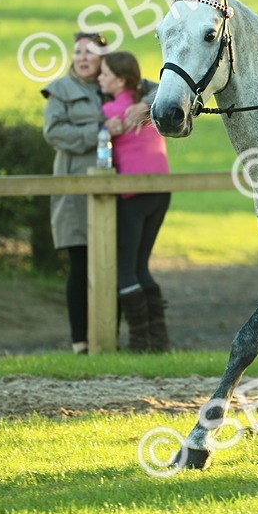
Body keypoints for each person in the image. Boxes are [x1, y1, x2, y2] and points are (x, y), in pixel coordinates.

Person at [41, 32, 152, 354]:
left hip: (116, 189)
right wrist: (101, 131)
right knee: (80, 265)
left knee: (113, 265)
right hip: (75, 189)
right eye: (78, 52)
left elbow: (165, 88)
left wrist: (144, 104)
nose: (83, 58)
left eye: (90, 52)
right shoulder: (60, 91)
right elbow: (54, 133)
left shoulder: (116, 82)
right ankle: (81, 344)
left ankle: (110, 341)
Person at [99, 51, 172, 352]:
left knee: (125, 267)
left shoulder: (110, 109)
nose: (100, 79)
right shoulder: (150, 105)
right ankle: (160, 340)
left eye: (104, 74)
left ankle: (140, 341)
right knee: (141, 265)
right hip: (161, 189)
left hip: (132, 192)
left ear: (119, 79)